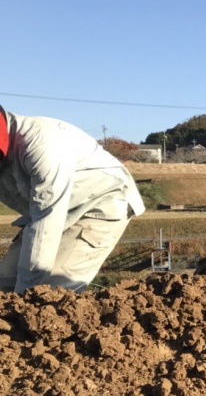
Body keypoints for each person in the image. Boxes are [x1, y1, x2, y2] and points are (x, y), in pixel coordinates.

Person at [0, 106, 145, 294]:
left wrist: (26, 299)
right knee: (5, 282)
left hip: (98, 206)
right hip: (50, 211)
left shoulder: (41, 143)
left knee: (50, 292)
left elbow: (46, 220)